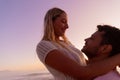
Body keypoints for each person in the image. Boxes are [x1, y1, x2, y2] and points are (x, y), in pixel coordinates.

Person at [36, 7, 120, 80]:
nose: (67, 26)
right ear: (51, 21)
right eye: (63, 21)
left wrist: (112, 65)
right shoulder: (44, 46)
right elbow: (81, 73)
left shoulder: (67, 44)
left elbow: (89, 64)